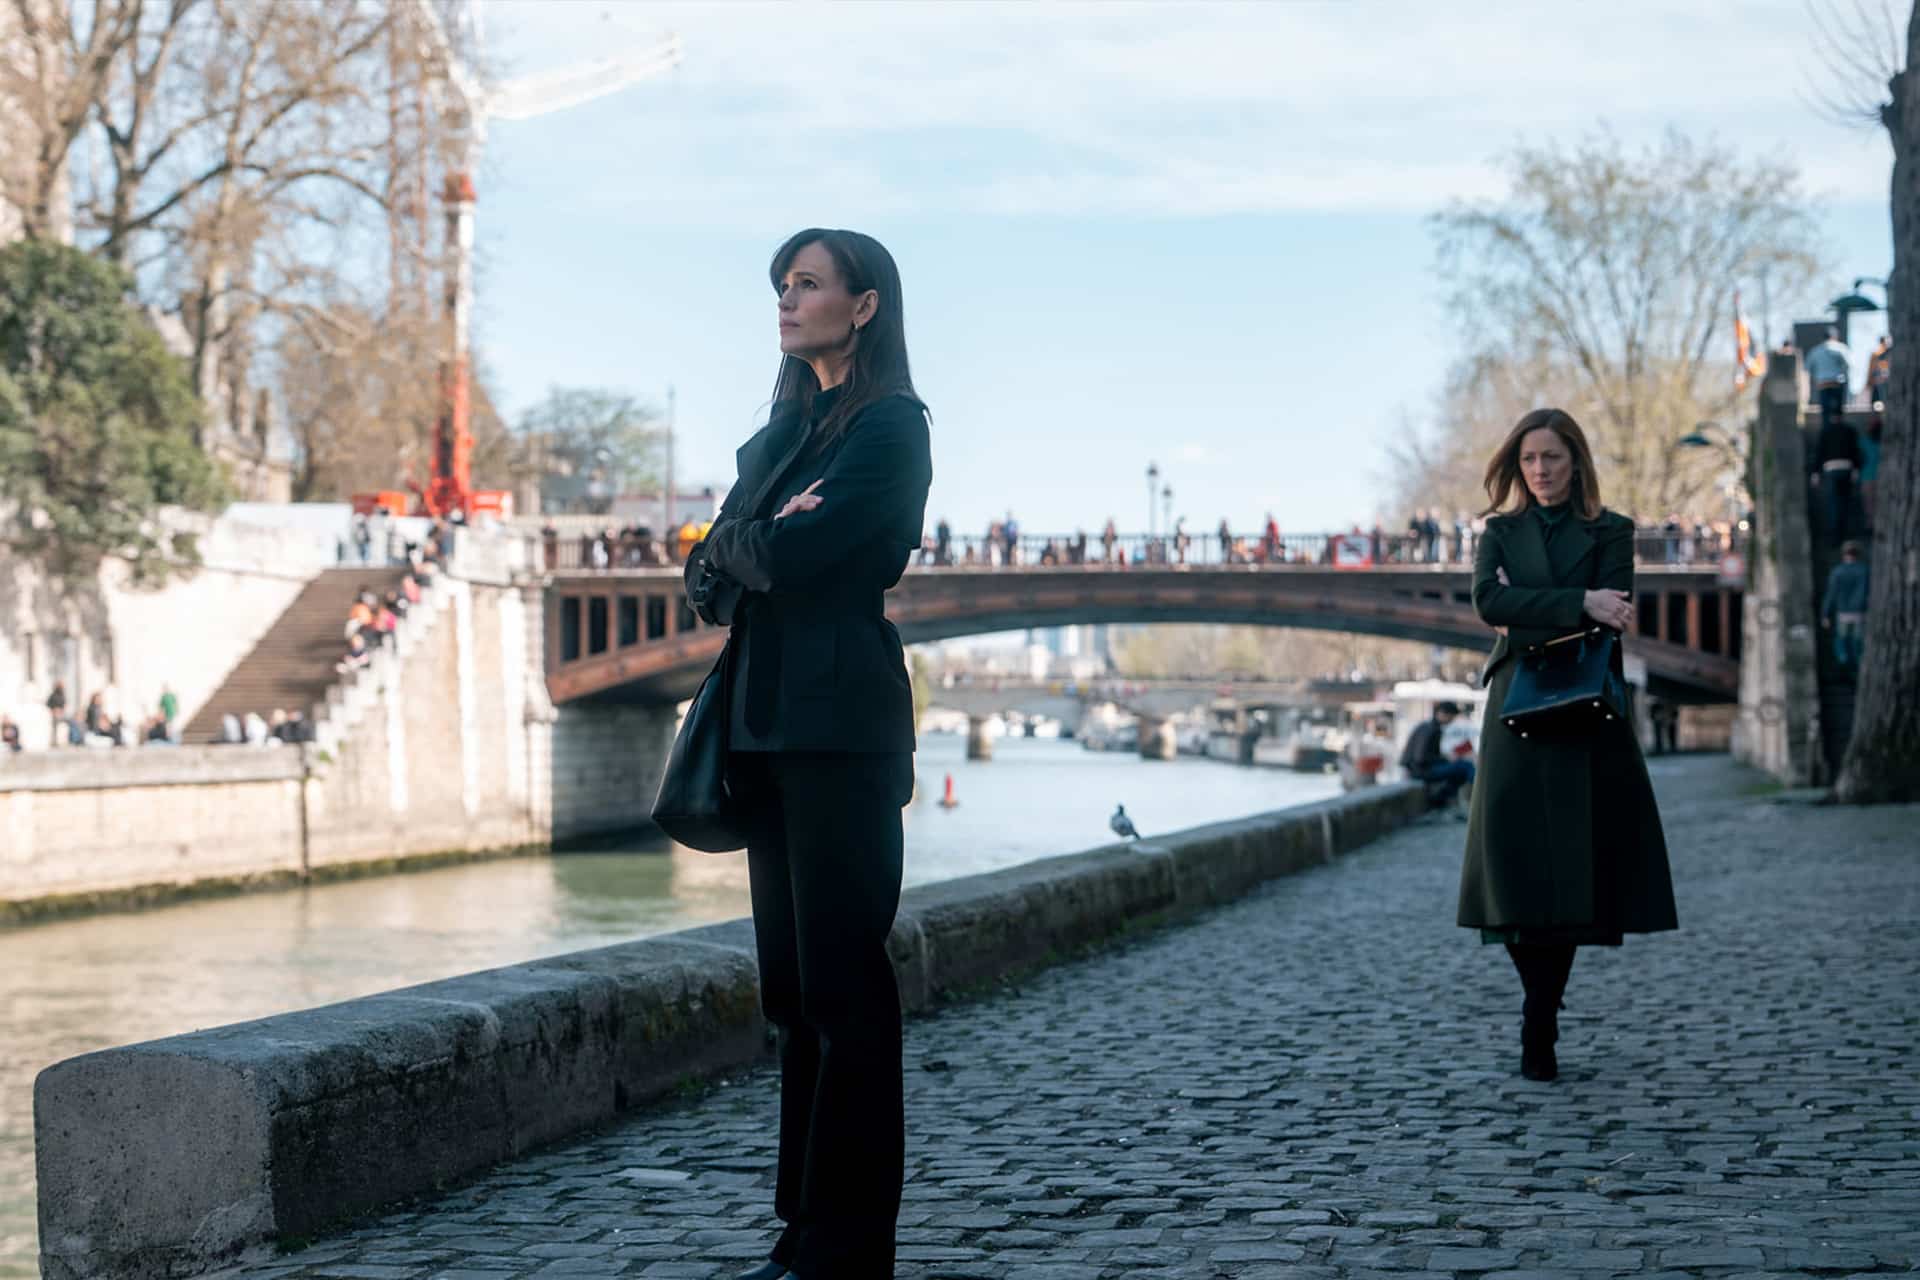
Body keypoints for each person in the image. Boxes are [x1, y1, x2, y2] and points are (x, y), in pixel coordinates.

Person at [685, 228, 932, 1280]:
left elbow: (784, 551)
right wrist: (743, 545)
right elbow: (716, 569)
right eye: (782, 284)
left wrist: (745, 544)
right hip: (769, 720)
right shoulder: (785, 430)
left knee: (844, 989)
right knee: (791, 993)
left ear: (864, 305)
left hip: (839, 726)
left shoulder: (891, 427)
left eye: (809, 283)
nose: (787, 300)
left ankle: (850, 1242)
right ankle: (802, 1228)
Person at [1457, 407, 1677, 1083]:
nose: (1540, 471)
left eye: (1552, 458)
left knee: (1572, 873)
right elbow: (1487, 606)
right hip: (1514, 712)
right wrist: (1578, 602)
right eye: (1529, 460)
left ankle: (1540, 1016)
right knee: (1514, 867)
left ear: (1575, 460)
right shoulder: (1498, 531)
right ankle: (1538, 1004)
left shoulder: (1611, 531)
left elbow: (1612, 620)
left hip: (1583, 710)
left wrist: (1534, 605)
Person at [1401, 701, 1475, 811]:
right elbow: (1420, 758)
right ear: (1442, 714)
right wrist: (1446, 758)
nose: (1452, 721)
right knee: (1466, 766)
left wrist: (1447, 758)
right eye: (1451, 717)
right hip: (1420, 770)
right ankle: (1476, 794)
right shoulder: (1430, 729)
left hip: (1420, 768)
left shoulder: (1430, 727)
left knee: (1461, 770)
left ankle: (1439, 801)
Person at [1815, 408, 1863, 539]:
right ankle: (1844, 530)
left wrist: (1815, 473)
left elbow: (1820, 453)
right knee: (1845, 500)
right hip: (1847, 467)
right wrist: (1856, 469)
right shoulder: (1850, 431)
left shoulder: (1826, 432)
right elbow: (1855, 451)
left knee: (1833, 503)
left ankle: (1835, 533)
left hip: (1831, 469)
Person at [1822, 540, 1870, 668]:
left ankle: (1843, 660)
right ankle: (1858, 662)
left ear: (1843, 554)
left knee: (1841, 638)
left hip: (1843, 611)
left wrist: (1825, 614)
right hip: (1859, 611)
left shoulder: (1837, 572)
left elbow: (1831, 594)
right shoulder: (1864, 570)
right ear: (1858, 554)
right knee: (1857, 640)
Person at [1806, 326, 1851, 427]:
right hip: (1837, 383)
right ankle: (1838, 433)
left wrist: (1816, 377)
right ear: (1835, 336)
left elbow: (1807, 368)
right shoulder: (1841, 348)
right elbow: (1848, 365)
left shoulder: (1816, 351)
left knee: (1825, 413)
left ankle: (1826, 433)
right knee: (1838, 413)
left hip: (1822, 384)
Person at [45, 680, 67, 749]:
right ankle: (54, 742)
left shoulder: (62, 695)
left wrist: (61, 710)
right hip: (54, 714)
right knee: (54, 729)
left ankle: (61, 741)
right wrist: (53, 710)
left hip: (60, 714)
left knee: (61, 728)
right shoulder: (53, 695)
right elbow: (48, 704)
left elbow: (64, 704)